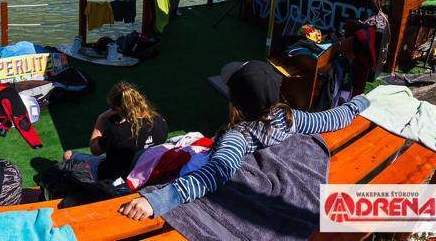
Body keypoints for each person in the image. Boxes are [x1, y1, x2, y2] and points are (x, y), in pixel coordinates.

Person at [118, 60, 369, 221]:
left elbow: (215, 173)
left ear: (235, 102)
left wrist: (157, 201)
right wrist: (360, 102)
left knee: (146, 156)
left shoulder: (237, 137)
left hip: (191, 175)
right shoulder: (290, 117)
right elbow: (333, 118)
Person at [63, 82, 168, 183]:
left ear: (117, 108)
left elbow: (94, 149)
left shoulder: (116, 131)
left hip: (116, 177)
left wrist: (101, 119)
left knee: (68, 155)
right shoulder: (160, 121)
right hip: (145, 172)